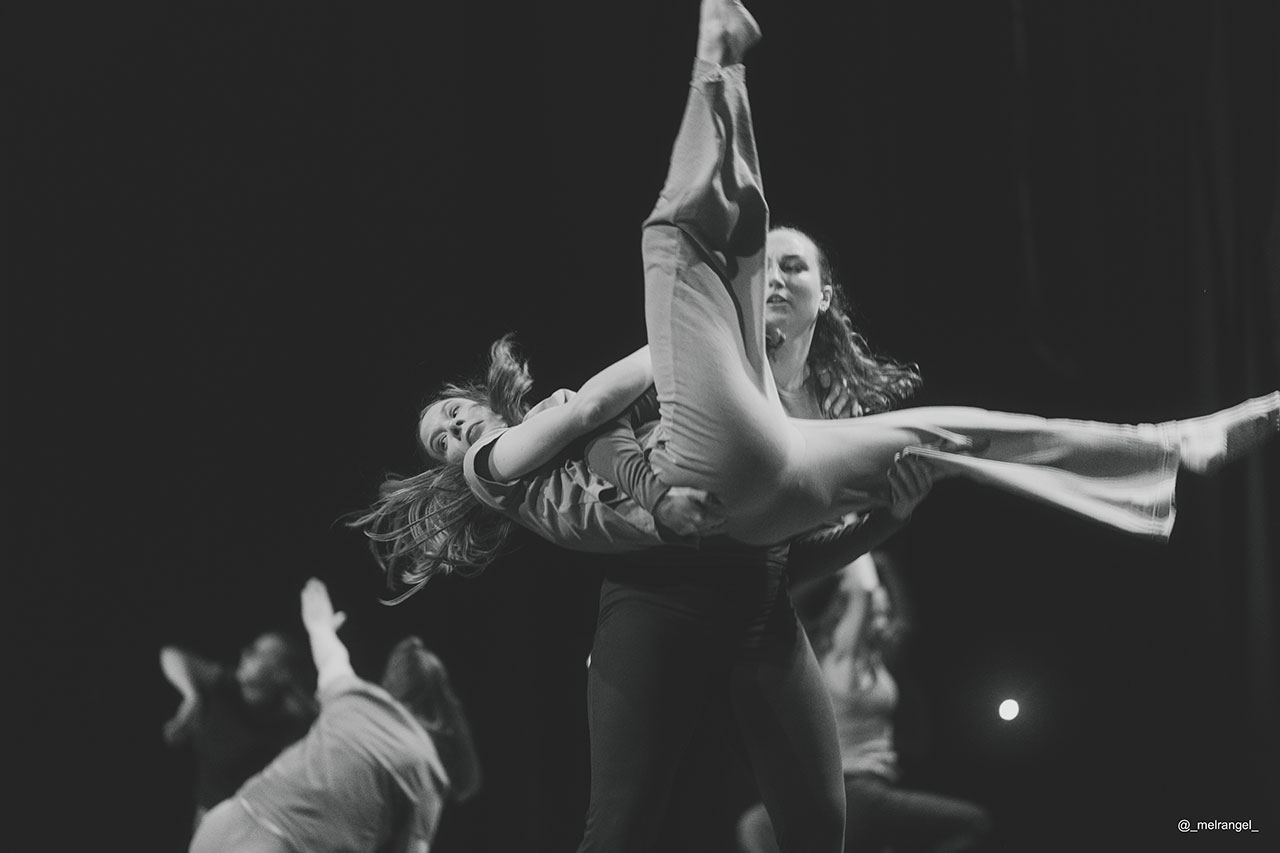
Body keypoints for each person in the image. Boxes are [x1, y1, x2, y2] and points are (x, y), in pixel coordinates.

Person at [355, 0, 1278, 592]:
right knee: (672, 243)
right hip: (713, 488)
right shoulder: (495, 468)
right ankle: (717, 56)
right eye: (443, 439)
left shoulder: (770, 388)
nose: (456, 432)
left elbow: (767, 547)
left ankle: (1168, 446)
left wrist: (887, 515)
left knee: (947, 434)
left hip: (771, 491)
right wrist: (674, 369)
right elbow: (596, 413)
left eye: (452, 414)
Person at [188, 578, 481, 853]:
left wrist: (320, 620)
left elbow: (329, 652)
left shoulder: (353, 696)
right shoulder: (427, 772)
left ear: (391, 686)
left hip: (225, 822)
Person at [737, 551, 991, 853]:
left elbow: (903, 623)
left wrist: (884, 568)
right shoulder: (844, 659)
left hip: (868, 795)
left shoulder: (875, 665)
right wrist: (857, 546)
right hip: (855, 794)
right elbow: (863, 590)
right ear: (851, 615)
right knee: (973, 822)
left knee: (756, 825)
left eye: (886, 613)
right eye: (876, 614)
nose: (884, 621)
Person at [161, 631, 317, 832]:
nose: (245, 653)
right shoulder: (227, 685)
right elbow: (171, 654)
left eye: (257, 652)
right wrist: (191, 696)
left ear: (281, 673)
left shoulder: (291, 717)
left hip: (251, 826)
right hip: (207, 818)